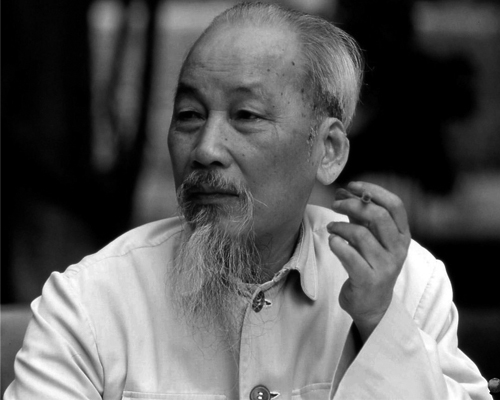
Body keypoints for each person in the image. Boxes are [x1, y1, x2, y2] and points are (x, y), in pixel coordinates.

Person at [4, 3, 491, 399]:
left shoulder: (404, 285)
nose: (206, 149)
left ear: (328, 150)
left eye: (246, 115)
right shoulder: (90, 304)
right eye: (189, 115)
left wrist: (380, 324)